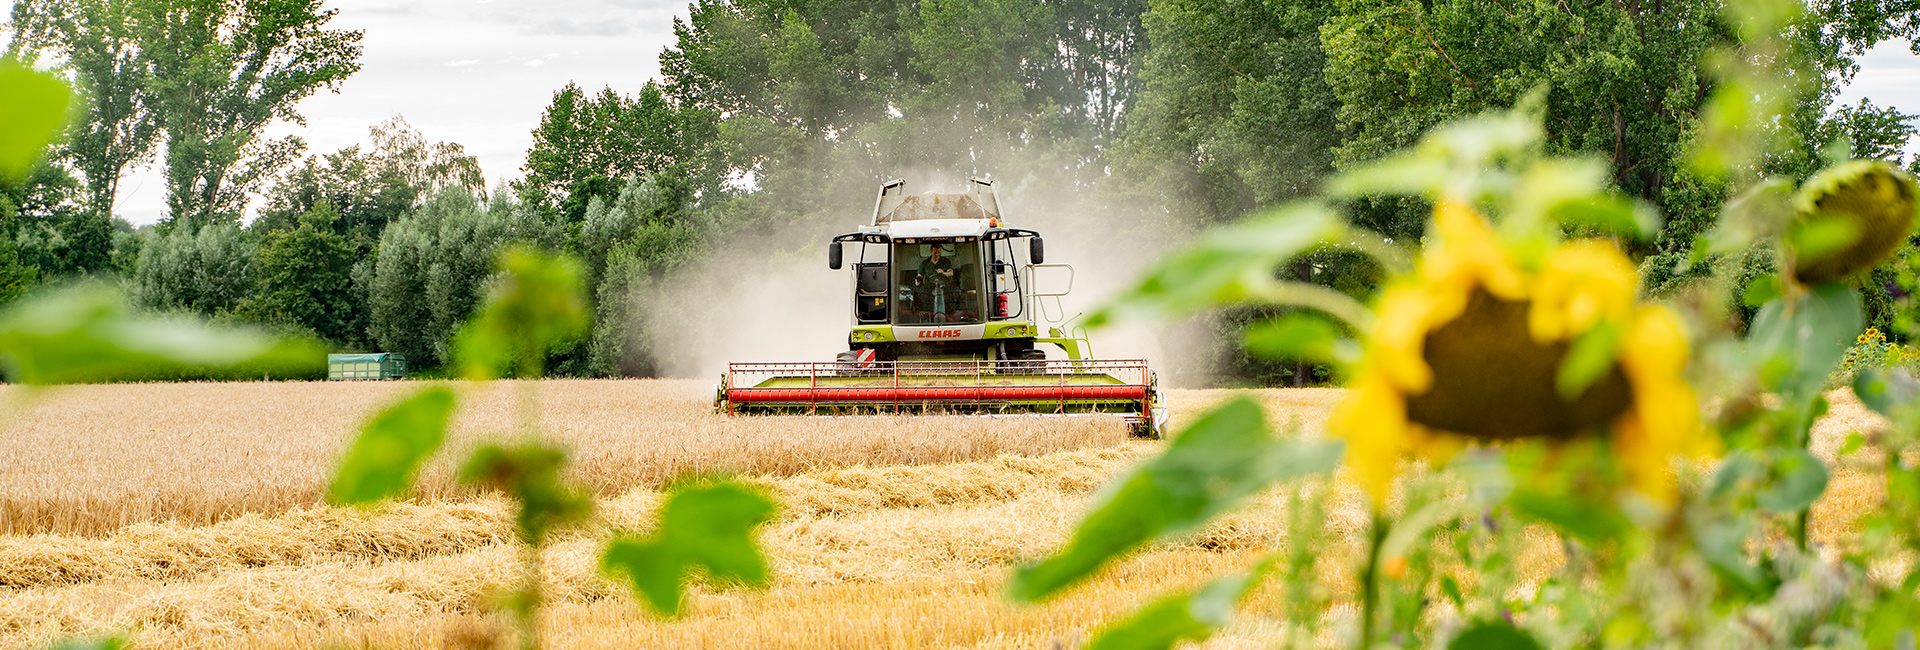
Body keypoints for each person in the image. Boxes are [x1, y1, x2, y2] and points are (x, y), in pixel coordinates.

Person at [918, 244, 956, 319]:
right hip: (930, 287)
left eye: (939, 252)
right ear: (931, 252)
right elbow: (920, 275)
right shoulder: (925, 263)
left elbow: (951, 273)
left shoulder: (945, 261)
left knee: (954, 294)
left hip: (945, 286)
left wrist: (943, 272)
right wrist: (918, 280)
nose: (937, 255)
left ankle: (950, 315)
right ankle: (927, 315)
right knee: (922, 294)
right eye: (935, 253)